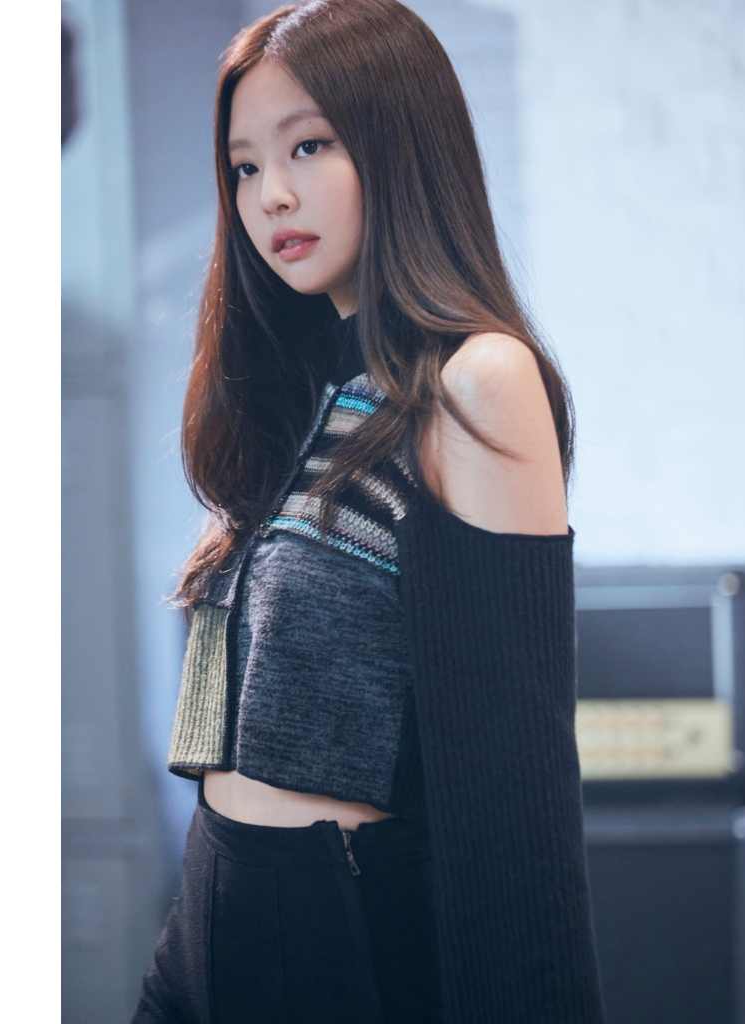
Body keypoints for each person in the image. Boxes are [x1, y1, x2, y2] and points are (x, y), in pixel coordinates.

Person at [132, 1, 603, 1021]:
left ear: (400, 146)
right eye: (244, 166)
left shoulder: (474, 381)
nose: (271, 194)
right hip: (215, 920)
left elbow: (512, 790)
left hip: (339, 947)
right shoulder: (307, 397)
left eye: (308, 145)